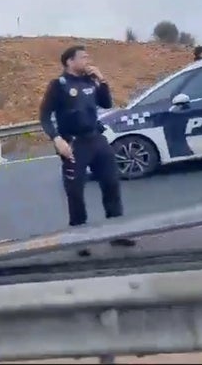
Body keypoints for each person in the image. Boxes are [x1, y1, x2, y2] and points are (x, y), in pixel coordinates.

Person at [38, 45, 135, 255]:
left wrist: (103, 81)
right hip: (74, 144)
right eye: (83, 57)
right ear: (69, 62)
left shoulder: (90, 80)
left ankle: (117, 232)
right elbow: (44, 116)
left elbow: (106, 103)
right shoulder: (58, 85)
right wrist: (56, 139)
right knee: (75, 192)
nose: (87, 60)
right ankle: (80, 239)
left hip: (96, 139)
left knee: (111, 184)